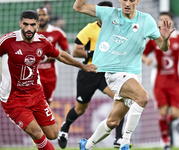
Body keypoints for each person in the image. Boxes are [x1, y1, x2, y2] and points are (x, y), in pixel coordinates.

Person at [0, 10, 97, 150]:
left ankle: (33, 128)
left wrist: (82, 66)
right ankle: (31, 127)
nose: (28, 28)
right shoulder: (8, 40)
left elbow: (60, 55)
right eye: (25, 24)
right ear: (20, 23)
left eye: (32, 25)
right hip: (14, 98)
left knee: (53, 134)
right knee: (37, 133)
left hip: (36, 95)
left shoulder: (42, 42)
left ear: (38, 24)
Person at [72, 0, 175, 150]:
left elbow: (163, 47)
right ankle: (125, 143)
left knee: (113, 121)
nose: (127, 3)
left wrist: (165, 39)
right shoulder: (109, 13)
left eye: (131, 0)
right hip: (114, 72)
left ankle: (87, 145)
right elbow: (78, 7)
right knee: (143, 97)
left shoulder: (146, 20)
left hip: (133, 74)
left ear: (137, 1)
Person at [58, 1, 129, 149]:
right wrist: (95, 53)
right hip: (89, 73)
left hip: (107, 73)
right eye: (103, 12)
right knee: (80, 109)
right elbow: (76, 51)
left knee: (120, 99)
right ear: (97, 13)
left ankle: (118, 138)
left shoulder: (118, 30)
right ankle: (65, 128)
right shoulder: (89, 29)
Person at [142, 12, 179, 150]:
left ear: (172, 23)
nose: (164, 22)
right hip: (159, 80)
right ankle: (165, 142)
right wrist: (147, 60)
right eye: (161, 20)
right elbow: (143, 55)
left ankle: (164, 123)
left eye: (166, 20)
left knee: (175, 114)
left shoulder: (178, 38)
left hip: (175, 80)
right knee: (162, 111)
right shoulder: (153, 39)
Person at [36, 7, 70, 105]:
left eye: (44, 15)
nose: (41, 17)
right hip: (33, 73)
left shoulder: (57, 32)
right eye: (39, 15)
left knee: (47, 103)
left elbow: (67, 52)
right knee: (34, 101)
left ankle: (44, 120)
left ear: (48, 17)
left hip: (50, 74)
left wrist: (52, 56)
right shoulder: (29, 33)